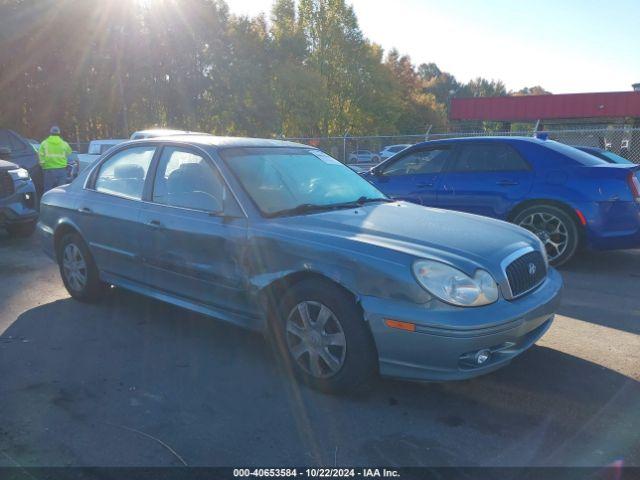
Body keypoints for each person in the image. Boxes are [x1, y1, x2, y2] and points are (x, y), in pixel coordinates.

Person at [39, 126, 72, 192]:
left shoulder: (44, 143)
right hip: (62, 169)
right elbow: (69, 153)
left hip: (49, 169)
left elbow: (41, 156)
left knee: (48, 190)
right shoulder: (64, 144)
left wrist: (43, 166)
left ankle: (47, 201)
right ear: (59, 133)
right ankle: (59, 202)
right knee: (61, 190)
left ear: (50, 133)